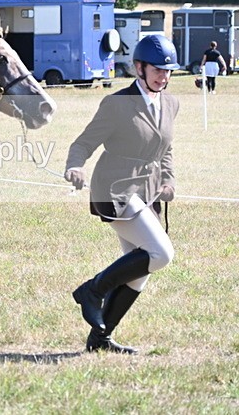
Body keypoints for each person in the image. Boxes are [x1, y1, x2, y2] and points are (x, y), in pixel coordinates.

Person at [64, 34, 180, 355]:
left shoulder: (171, 102)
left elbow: (166, 147)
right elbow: (83, 143)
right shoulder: (116, 104)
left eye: (169, 71)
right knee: (161, 254)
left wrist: (168, 180)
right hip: (116, 187)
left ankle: (100, 340)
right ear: (139, 68)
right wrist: (75, 166)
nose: (164, 76)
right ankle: (92, 290)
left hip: (148, 190)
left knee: (141, 271)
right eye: (157, 69)